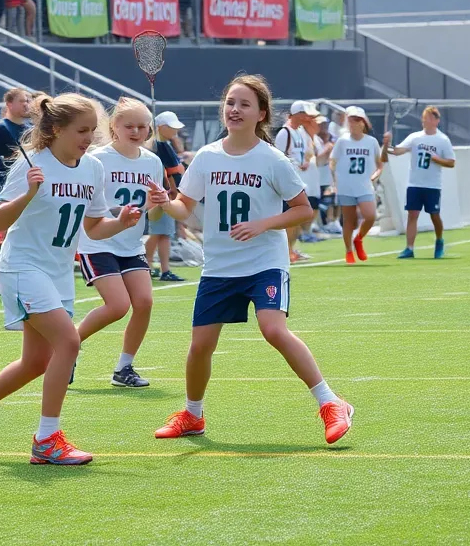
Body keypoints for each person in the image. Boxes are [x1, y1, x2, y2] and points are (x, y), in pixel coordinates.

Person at [147, 73, 353, 445]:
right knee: (200, 346)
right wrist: (166, 203)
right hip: (220, 268)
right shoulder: (207, 157)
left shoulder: (273, 160)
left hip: (264, 263)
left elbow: (303, 210)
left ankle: (331, 402)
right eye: (230, 102)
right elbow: (184, 209)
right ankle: (193, 414)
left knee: (273, 329)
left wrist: (264, 224)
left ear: (261, 114)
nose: (235, 110)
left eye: (244, 104)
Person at [0, 93, 142, 466]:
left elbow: (93, 226)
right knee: (68, 343)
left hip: (57, 273)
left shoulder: (92, 168)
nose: (88, 139)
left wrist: (121, 222)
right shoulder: (32, 165)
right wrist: (30, 193)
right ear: (55, 130)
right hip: (23, 268)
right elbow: (1, 222)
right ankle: (46, 439)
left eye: (92, 131)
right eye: (81, 131)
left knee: (36, 362)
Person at [73, 98, 163, 387]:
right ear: (113, 126)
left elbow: (155, 210)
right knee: (117, 305)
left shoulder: (153, 162)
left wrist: (157, 202)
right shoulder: (97, 158)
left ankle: (124, 368)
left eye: (142, 126)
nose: (135, 131)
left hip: (131, 244)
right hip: (98, 241)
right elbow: (86, 203)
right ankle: (67, 346)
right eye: (129, 126)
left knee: (145, 301)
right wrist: (117, 214)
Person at [387, 106, 456, 260]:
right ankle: (409, 248)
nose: (426, 120)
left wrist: (436, 159)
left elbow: (451, 162)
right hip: (414, 183)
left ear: (437, 121)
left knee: (434, 215)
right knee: (412, 214)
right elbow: (398, 151)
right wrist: (386, 144)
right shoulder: (415, 137)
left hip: (432, 185)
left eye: (430, 118)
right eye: (425, 117)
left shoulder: (442, 139)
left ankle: (439, 241)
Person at [329, 107, 383, 265]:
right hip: (346, 186)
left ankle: (358, 239)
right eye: (351, 120)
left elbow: (380, 165)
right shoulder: (343, 141)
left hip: (364, 185)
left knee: (370, 215)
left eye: (357, 120)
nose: (353, 124)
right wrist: (335, 179)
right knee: (349, 221)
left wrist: (374, 176)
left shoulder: (371, 142)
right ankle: (348, 250)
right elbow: (333, 161)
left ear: (363, 123)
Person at [275, 101, 318, 262]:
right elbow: (279, 157)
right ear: (297, 114)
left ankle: (290, 250)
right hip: (288, 183)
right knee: (292, 218)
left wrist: (304, 163)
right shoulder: (285, 133)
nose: (308, 117)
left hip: (298, 180)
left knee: (298, 219)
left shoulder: (299, 132)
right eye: (305, 114)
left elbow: (303, 153)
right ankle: (286, 252)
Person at [146, 111, 187, 282]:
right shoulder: (158, 146)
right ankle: (146, 266)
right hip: (164, 195)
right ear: (161, 128)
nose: (175, 131)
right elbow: (168, 173)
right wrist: (173, 192)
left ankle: (163, 269)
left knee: (164, 233)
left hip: (169, 195)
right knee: (158, 232)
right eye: (171, 128)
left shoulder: (165, 145)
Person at [0, 88, 32, 192]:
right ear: (9, 104)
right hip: (7, 190)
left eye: (27, 101)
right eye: (21, 101)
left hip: (26, 189)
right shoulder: (1, 129)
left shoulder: (29, 130)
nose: (25, 104)